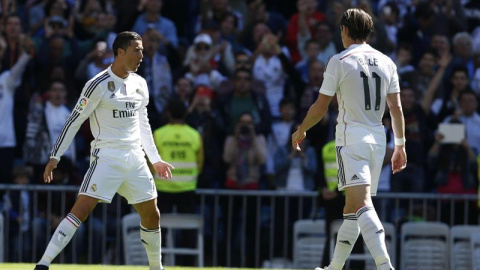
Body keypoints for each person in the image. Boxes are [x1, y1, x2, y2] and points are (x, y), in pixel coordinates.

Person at [34, 31, 174, 270]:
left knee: (152, 215)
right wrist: (55, 156)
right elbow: (74, 121)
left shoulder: (140, 83)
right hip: (107, 156)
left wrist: (156, 159)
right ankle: (43, 263)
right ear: (120, 52)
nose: (142, 55)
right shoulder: (97, 84)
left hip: (136, 158)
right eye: (136, 50)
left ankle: (156, 268)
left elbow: (144, 124)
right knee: (81, 210)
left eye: (141, 50)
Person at [292, 9, 407, 270]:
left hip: (351, 138)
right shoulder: (387, 62)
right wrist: (400, 145)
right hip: (378, 140)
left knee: (362, 204)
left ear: (344, 30)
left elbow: (321, 106)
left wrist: (301, 130)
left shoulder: (340, 60)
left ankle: (384, 265)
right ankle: (334, 267)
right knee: (352, 207)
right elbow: (397, 109)